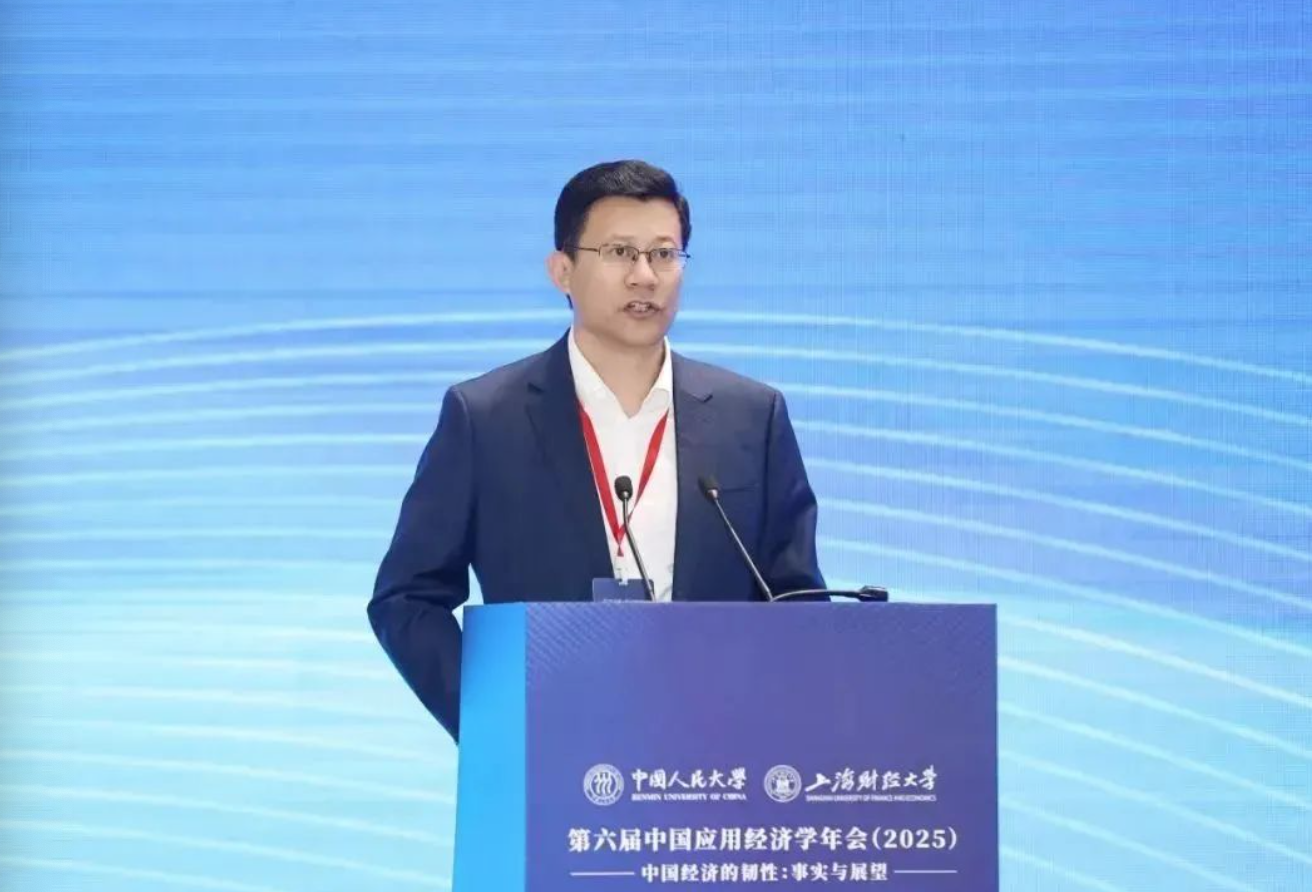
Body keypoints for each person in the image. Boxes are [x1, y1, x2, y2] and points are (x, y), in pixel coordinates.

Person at [369, 159, 824, 741]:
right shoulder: (485, 418)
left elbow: (797, 601)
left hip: (716, 762)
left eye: (664, 254)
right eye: (619, 253)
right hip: (550, 757)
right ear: (562, 270)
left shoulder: (752, 417)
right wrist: (496, 726)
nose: (644, 276)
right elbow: (406, 599)